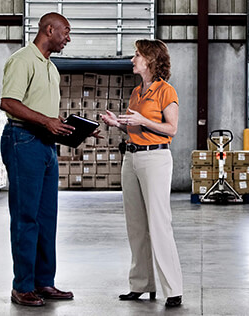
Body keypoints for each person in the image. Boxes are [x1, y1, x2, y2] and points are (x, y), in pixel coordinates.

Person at [0, 12, 76, 307]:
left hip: (46, 145)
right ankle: (22, 286)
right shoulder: (23, 60)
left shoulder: (51, 68)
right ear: (49, 29)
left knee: (46, 218)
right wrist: (46, 121)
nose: (68, 38)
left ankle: (44, 281)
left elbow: (46, 115)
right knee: (26, 217)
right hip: (23, 141)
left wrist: (74, 130)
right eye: (65, 32)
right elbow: (8, 102)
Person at [100, 39, 183, 308]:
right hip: (132, 158)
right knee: (136, 225)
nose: (132, 59)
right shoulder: (137, 92)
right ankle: (141, 284)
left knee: (159, 223)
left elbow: (171, 129)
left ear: (150, 60)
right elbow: (135, 128)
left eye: (137, 55)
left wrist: (143, 120)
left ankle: (173, 289)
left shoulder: (165, 91)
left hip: (156, 159)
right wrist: (118, 124)